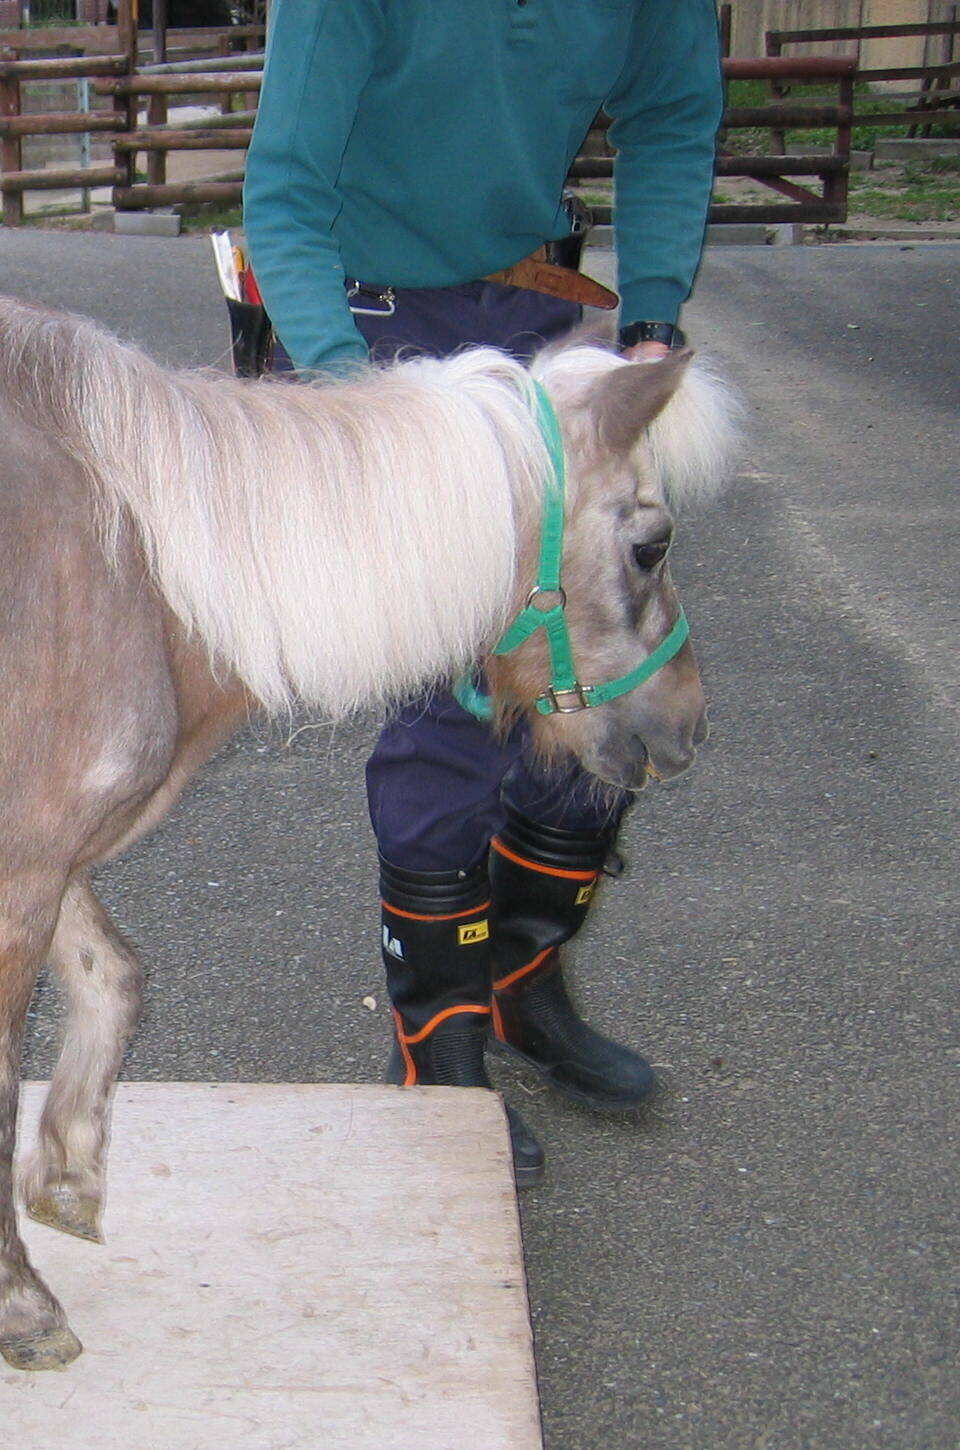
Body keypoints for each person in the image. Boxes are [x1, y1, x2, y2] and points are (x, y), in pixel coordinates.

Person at [242, 0, 726, 1185]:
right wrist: (364, 416)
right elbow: (287, 195)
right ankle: (437, 1050)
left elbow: (672, 109)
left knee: (601, 643)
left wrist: (653, 316)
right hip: (371, 326)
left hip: (528, 305)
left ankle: (521, 981)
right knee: (457, 703)